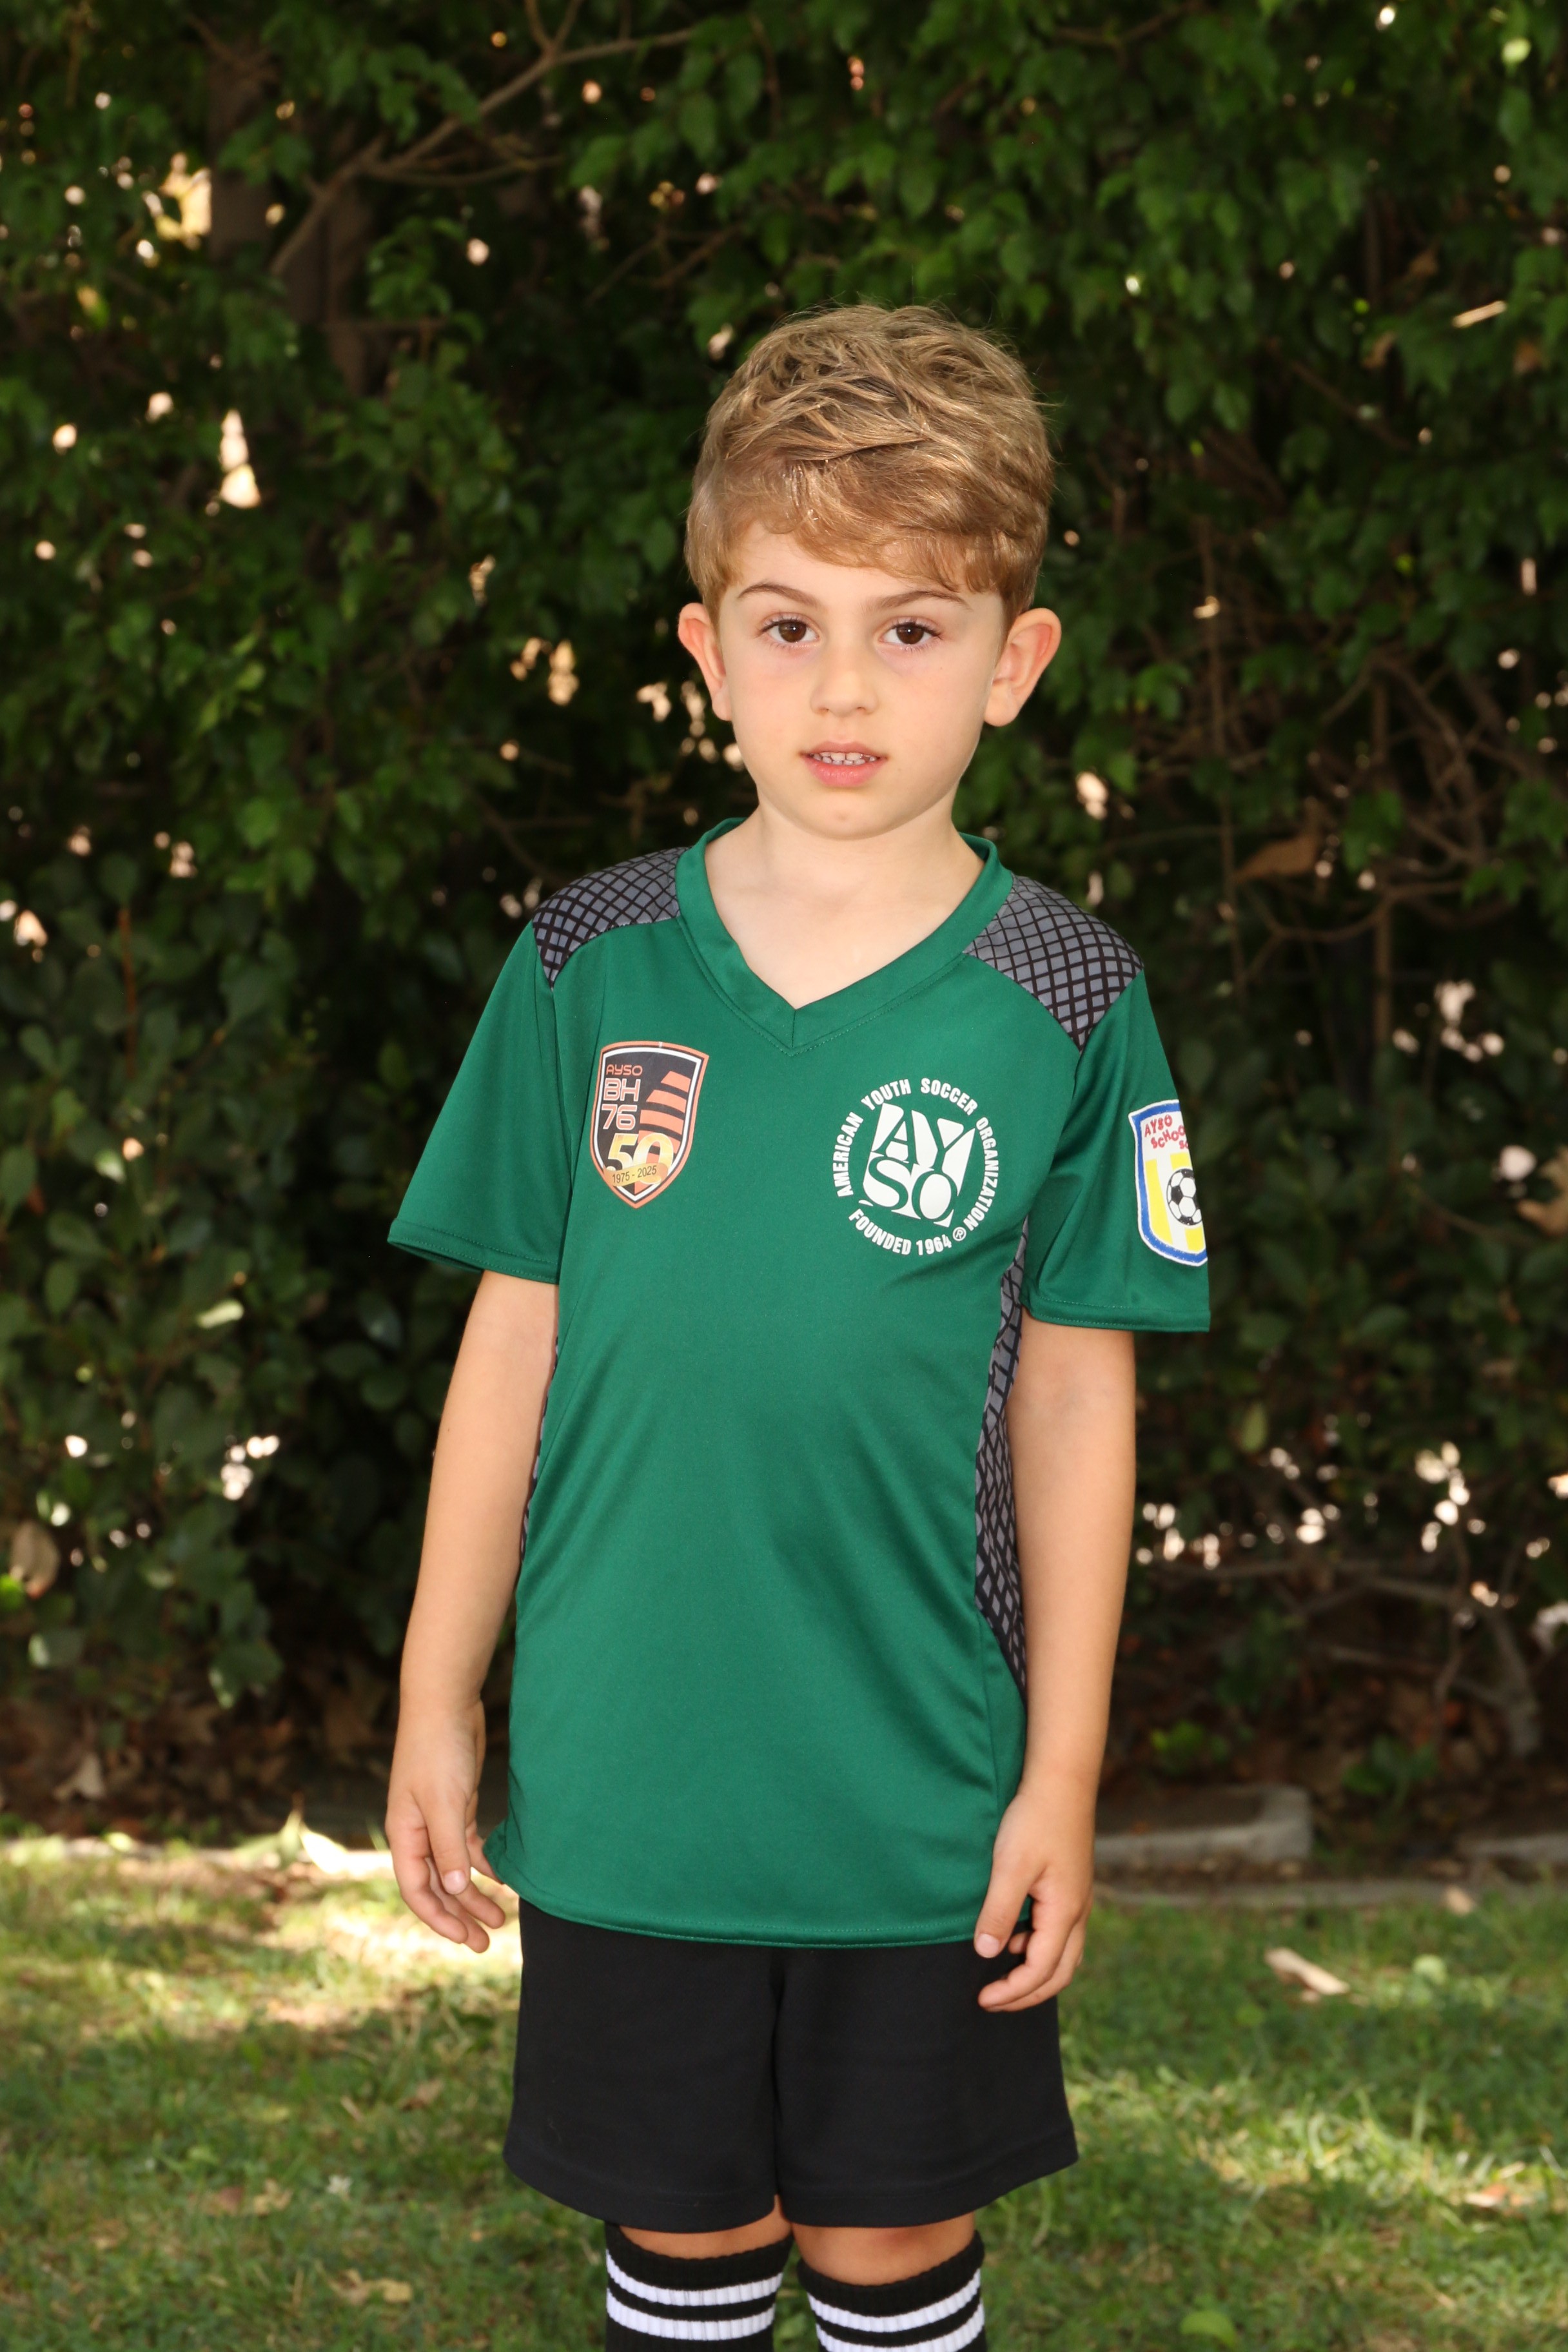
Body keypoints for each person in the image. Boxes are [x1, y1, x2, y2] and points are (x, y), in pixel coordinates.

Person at [386, 304, 1209, 2349]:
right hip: (630, 1783)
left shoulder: (1070, 996)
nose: (844, 685)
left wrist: (1064, 1773)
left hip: (920, 1790)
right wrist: (437, 1692)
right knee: (681, 2239)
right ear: (706, 653)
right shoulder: (587, 962)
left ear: (1014, 660)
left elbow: (1077, 1408)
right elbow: (512, 1351)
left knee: (889, 2245)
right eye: (788, 625)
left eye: (911, 628)